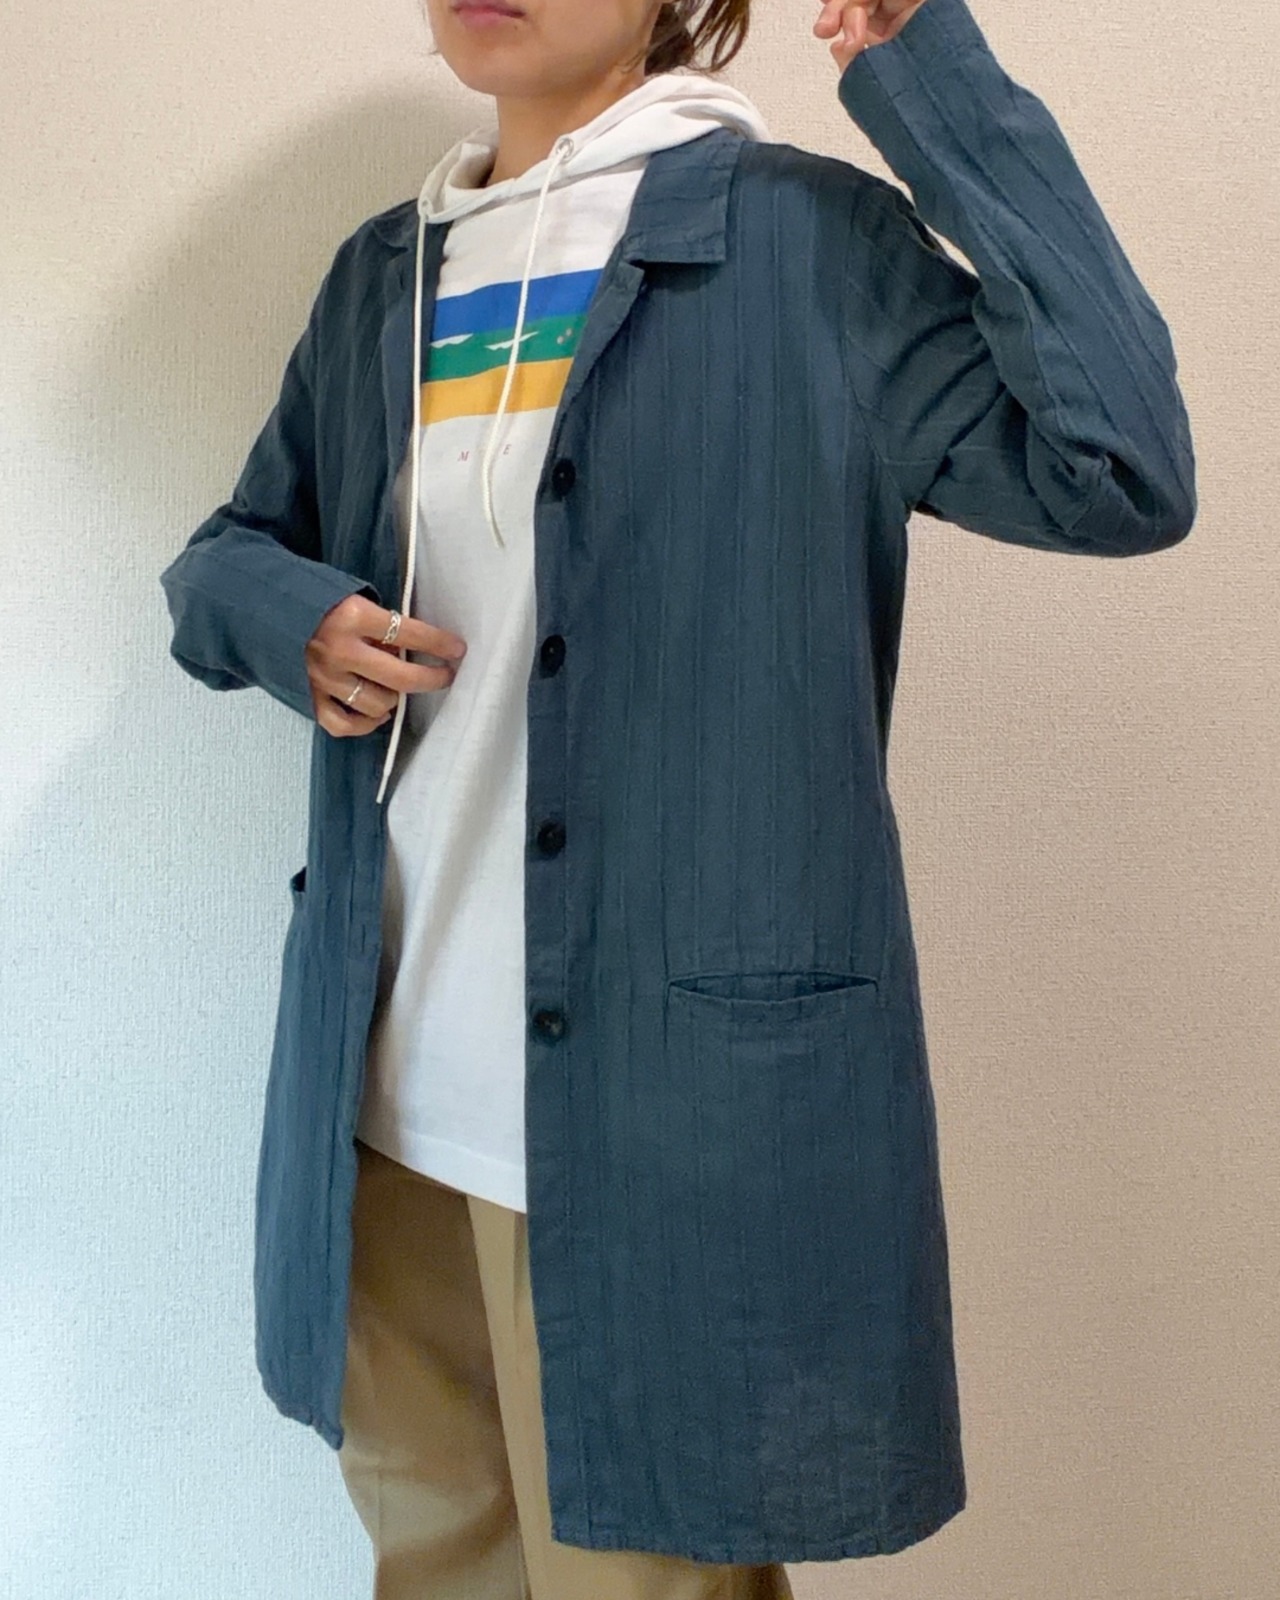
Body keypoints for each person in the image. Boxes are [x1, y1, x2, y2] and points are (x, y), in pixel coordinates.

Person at [158, 1, 1196, 1596]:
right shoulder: (391, 274)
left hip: (664, 1127)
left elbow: (1119, 469)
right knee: (436, 1568)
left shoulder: (802, 245)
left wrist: (924, 69)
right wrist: (288, 618)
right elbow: (224, 554)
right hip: (382, 1106)